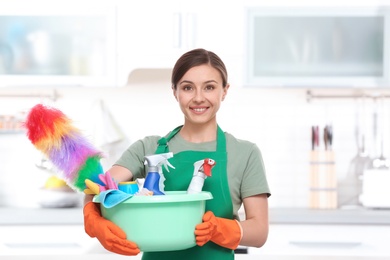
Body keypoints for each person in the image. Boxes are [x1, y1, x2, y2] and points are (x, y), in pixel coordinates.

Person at [83, 48, 271, 260]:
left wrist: (220, 229)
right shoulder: (148, 149)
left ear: (224, 91)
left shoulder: (245, 153)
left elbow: (260, 231)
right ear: (175, 91)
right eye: (188, 88)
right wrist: (92, 216)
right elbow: (99, 187)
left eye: (209, 87)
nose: (199, 98)